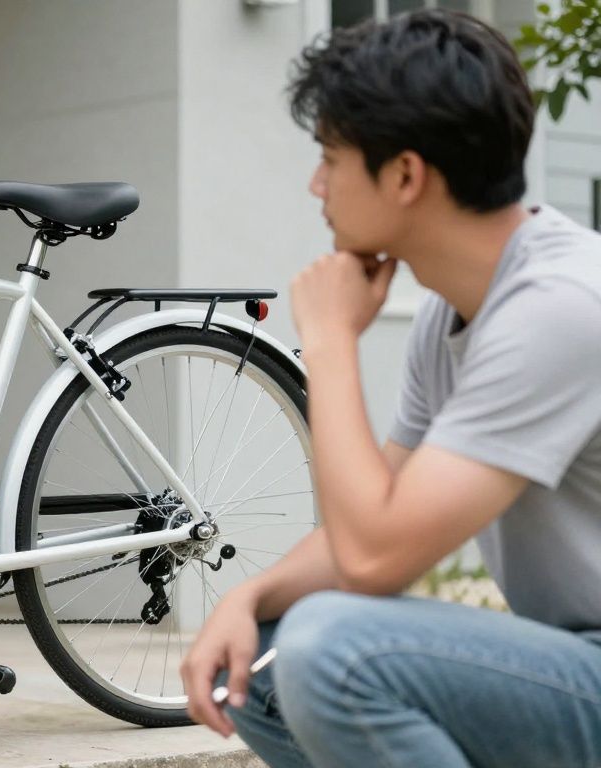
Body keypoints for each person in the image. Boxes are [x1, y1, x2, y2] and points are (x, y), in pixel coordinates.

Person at [179, 9, 601, 767]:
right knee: (263, 664)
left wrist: (331, 339)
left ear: (405, 175)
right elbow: (370, 528)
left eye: (330, 157)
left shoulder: (562, 306)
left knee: (333, 652)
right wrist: (244, 600)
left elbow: (377, 559)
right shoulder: (452, 310)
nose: (317, 184)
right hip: (573, 661)